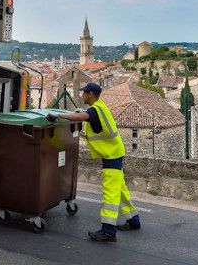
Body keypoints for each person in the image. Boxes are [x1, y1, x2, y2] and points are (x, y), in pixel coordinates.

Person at [46, 82, 141, 242]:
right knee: (120, 189)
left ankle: (109, 231)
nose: (82, 95)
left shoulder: (95, 111)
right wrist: (83, 111)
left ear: (90, 94)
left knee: (110, 193)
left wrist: (59, 116)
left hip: (111, 155)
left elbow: (82, 117)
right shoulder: (99, 106)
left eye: (84, 93)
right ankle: (133, 220)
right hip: (115, 153)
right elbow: (87, 114)